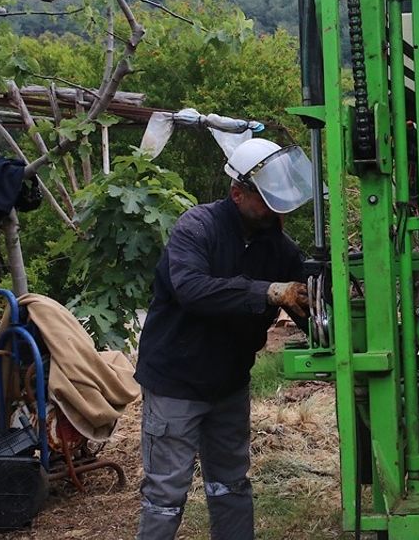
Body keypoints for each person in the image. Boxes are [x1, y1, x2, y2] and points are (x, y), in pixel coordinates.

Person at [134, 138, 318, 540]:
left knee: (231, 483)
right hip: (176, 382)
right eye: (266, 197)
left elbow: (306, 302)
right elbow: (193, 289)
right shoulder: (196, 228)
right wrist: (269, 292)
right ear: (237, 193)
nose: (275, 206)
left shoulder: (279, 247)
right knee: (166, 493)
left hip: (229, 383)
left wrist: (326, 320)